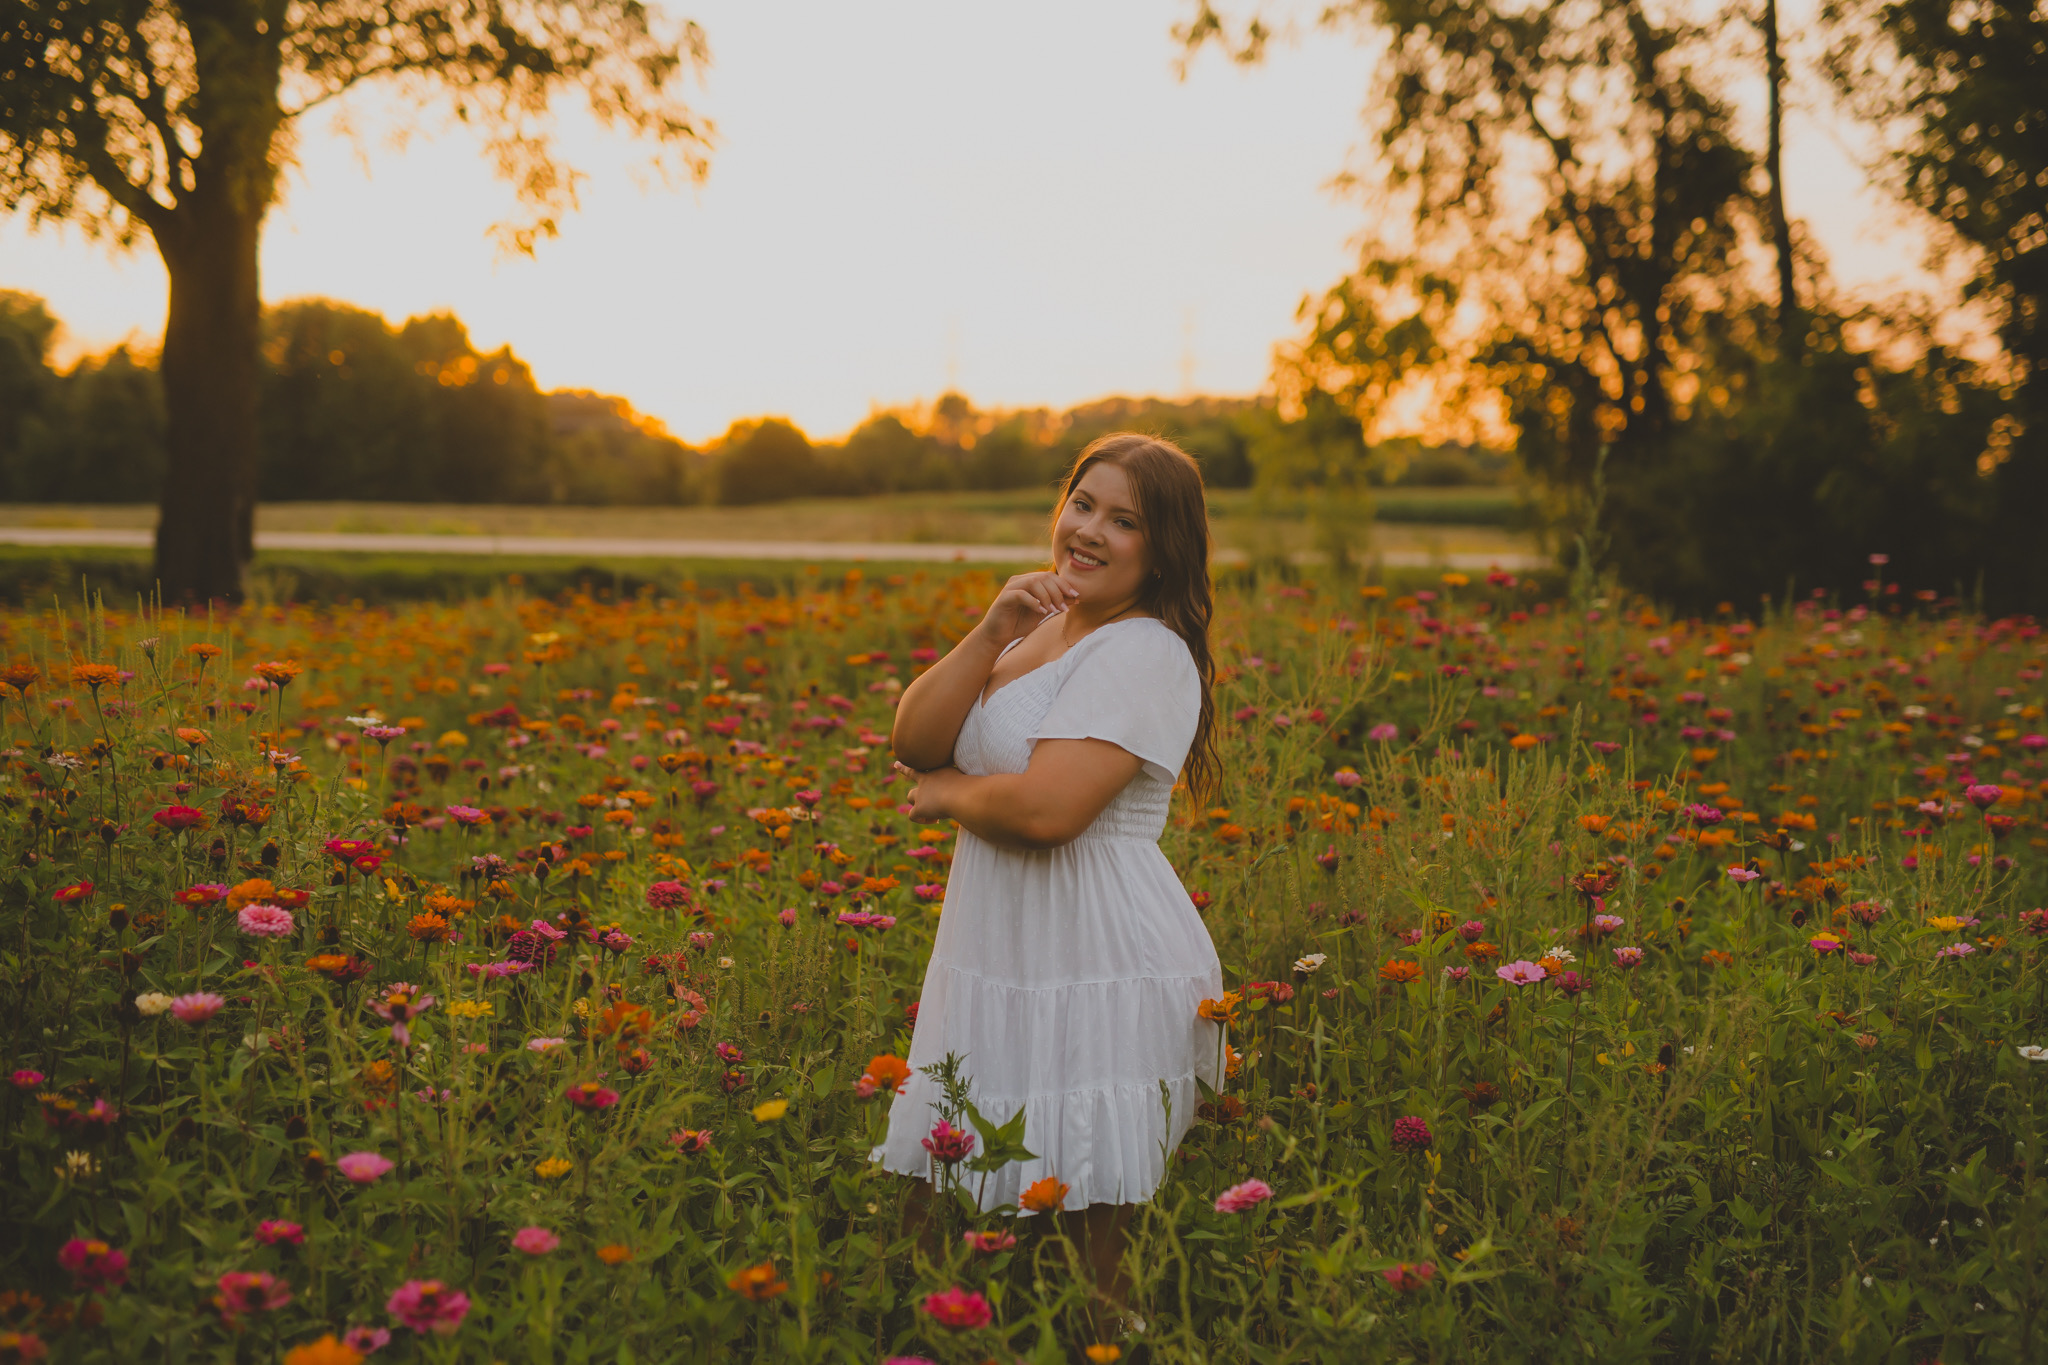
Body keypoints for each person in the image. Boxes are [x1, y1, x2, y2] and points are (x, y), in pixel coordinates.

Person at [878, 431, 1224, 1322]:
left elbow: (1047, 812)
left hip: (1096, 962)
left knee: (1088, 1273)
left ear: (1166, 547)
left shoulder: (1146, 651)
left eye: (1125, 520)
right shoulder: (1041, 627)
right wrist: (993, 626)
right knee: (940, 1220)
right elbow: (913, 737)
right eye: (1082, 503)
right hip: (1003, 957)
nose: (1090, 531)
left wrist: (950, 793)